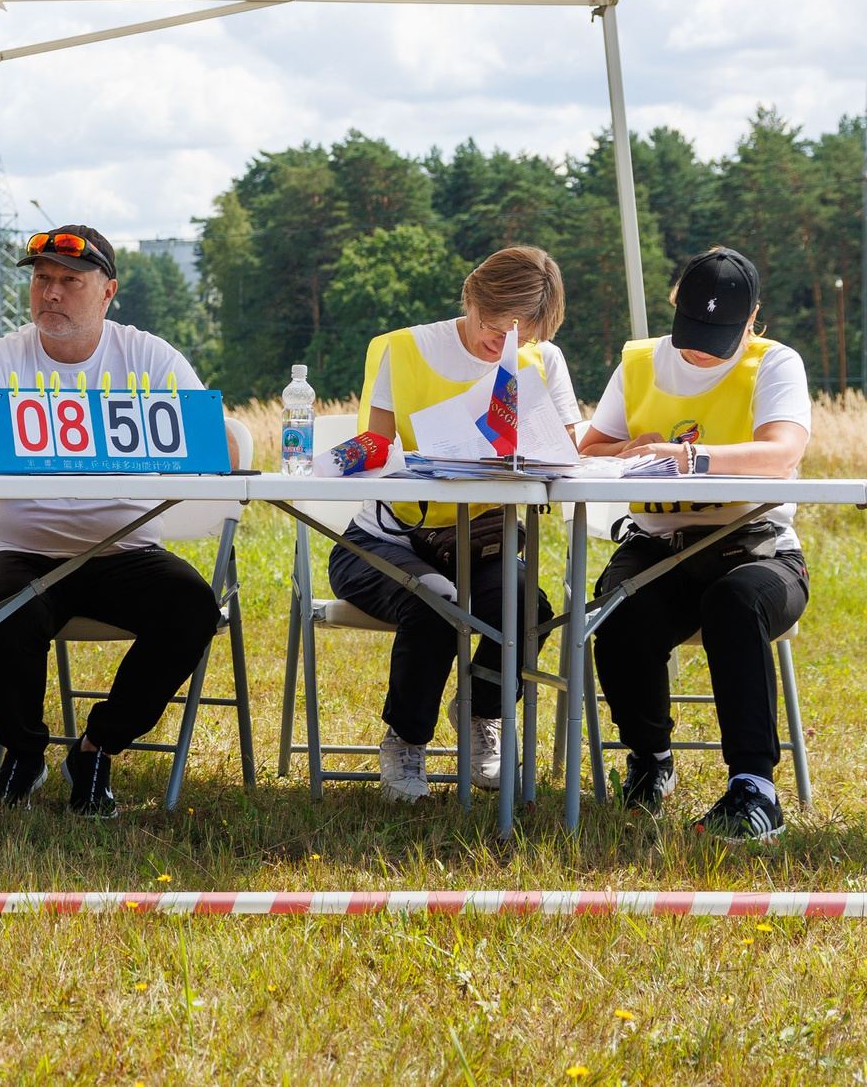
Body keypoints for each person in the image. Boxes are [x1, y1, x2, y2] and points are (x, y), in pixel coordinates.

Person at [0, 225, 221, 817]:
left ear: (108, 292)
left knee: (192, 607)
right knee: (1, 616)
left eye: (69, 281)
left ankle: (96, 749)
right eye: (41, 279)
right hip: (19, 551)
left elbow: (221, 448)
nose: (50, 293)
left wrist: (102, 438)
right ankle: (24, 752)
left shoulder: (149, 356)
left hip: (125, 551)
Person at [328, 245, 578, 803]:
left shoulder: (543, 360)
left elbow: (565, 451)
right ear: (472, 298)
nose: (505, 342)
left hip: (479, 543)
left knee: (526, 605)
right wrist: (355, 459)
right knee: (437, 603)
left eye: (523, 335)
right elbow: (375, 445)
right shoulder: (403, 349)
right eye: (495, 326)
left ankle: (481, 714)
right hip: (384, 541)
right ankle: (406, 740)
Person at [579, 247, 811, 843]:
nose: (702, 350)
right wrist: (629, 450)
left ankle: (754, 789)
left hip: (756, 549)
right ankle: (650, 759)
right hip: (659, 546)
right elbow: (589, 450)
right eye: (692, 332)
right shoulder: (638, 361)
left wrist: (689, 458)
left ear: (753, 317)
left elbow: (782, 453)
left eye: (719, 337)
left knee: (733, 603)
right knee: (619, 613)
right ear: (674, 303)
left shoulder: (776, 363)